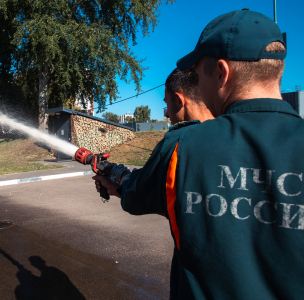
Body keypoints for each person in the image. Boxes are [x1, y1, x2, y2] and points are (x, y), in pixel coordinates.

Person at [93, 9, 304, 299]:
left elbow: (136, 194)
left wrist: (115, 180)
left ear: (221, 72)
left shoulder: (182, 145)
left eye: (197, 72)